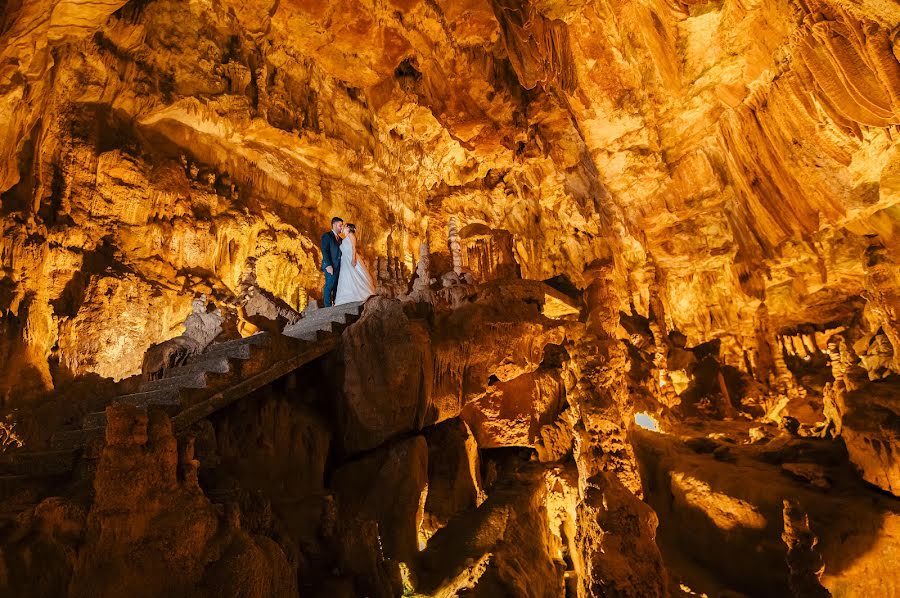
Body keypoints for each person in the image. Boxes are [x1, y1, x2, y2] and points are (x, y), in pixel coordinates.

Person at [334, 222, 375, 305]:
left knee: (355, 276)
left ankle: (361, 295)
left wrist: (353, 259)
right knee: (346, 278)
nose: (343, 227)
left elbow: (353, 247)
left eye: (344, 226)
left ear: (349, 228)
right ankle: (347, 296)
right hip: (345, 260)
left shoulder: (351, 235)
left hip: (351, 258)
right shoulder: (344, 238)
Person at [321, 216, 343, 307]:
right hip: (330, 266)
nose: (341, 227)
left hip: (339, 266)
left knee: (336, 286)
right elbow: (324, 250)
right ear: (334, 225)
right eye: (340, 225)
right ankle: (327, 306)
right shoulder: (327, 236)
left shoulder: (341, 240)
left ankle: (336, 304)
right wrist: (328, 265)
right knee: (329, 285)